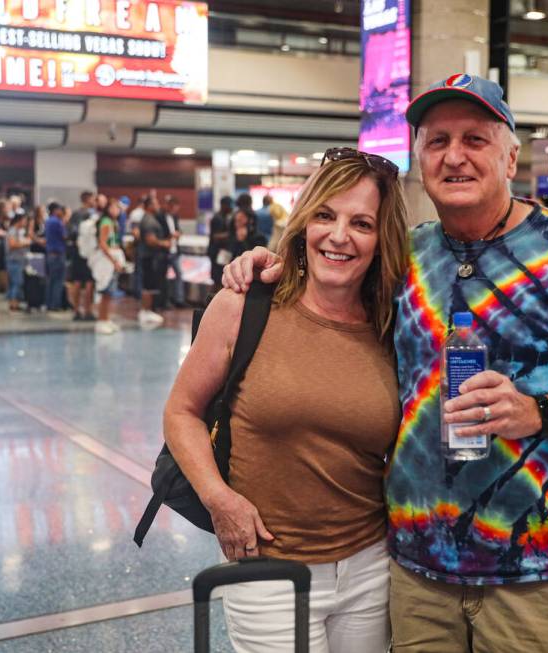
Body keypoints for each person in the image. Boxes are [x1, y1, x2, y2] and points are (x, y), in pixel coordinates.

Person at [224, 74, 548, 653]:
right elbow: (327, 271)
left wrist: (538, 412)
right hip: (414, 570)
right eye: (436, 141)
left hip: (535, 567)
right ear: (419, 161)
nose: (454, 156)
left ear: (510, 155)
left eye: (474, 139)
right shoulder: (404, 255)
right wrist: (264, 262)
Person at [166, 147, 409, 653]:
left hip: (370, 564)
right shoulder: (244, 306)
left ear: (380, 239)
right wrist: (219, 499)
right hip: (269, 567)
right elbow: (182, 412)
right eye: (325, 215)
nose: (339, 236)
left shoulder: (392, 324)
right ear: (303, 222)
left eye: (361, 223)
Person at [90, 198, 124, 335]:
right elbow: (103, 244)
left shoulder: (113, 222)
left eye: (118, 208)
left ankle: (106, 318)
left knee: (109, 292)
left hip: (112, 258)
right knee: (105, 291)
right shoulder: (105, 222)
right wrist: (113, 260)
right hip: (106, 261)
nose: (117, 210)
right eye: (114, 207)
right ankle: (101, 319)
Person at [137, 196, 168, 326]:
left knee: (150, 285)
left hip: (150, 257)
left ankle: (147, 310)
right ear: (149, 205)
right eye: (155, 203)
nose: (158, 206)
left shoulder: (149, 219)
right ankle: (146, 310)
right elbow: (151, 240)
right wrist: (164, 243)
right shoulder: (149, 221)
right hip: (150, 257)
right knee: (148, 286)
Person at [67, 191, 97, 321]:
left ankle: (76, 310)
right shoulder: (90, 215)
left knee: (77, 282)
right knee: (89, 282)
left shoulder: (75, 214)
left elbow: (71, 233)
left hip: (78, 252)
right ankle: (88, 310)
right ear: (88, 199)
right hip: (88, 253)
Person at [161, 195, 185, 308]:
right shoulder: (161, 217)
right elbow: (159, 233)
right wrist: (169, 235)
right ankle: (165, 300)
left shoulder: (175, 217)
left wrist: (178, 233)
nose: (176, 210)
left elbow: (178, 229)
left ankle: (179, 299)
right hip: (165, 251)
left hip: (175, 250)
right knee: (164, 277)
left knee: (179, 274)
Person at [5, 213, 32, 311]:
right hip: (14, 261)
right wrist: (25, 243)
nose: (25, 223)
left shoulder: (17, 231)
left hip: (17, 260)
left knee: (15, 283)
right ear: (19, 221)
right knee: (17, 282)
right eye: (24, 220)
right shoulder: (12, 231)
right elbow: (12, 244)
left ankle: (14, 303)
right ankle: (13, 304)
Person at [44, 201, 67, 311]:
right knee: (58, 281)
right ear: (55, 210)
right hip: (58, 254)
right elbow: (64, 236)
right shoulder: (57, 222)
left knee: (51, 281)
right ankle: (55, 305)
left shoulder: (48, 221)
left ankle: (48, 303)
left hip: (50, 254)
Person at [208, 196, 234, 288]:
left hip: (221, 252)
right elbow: (215, 236)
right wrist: (231, 234)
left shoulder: (224, 217)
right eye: (229, 205)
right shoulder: (218, 218)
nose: (232, 208)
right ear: (223, 205)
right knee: (218, 279)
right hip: (217, 253)